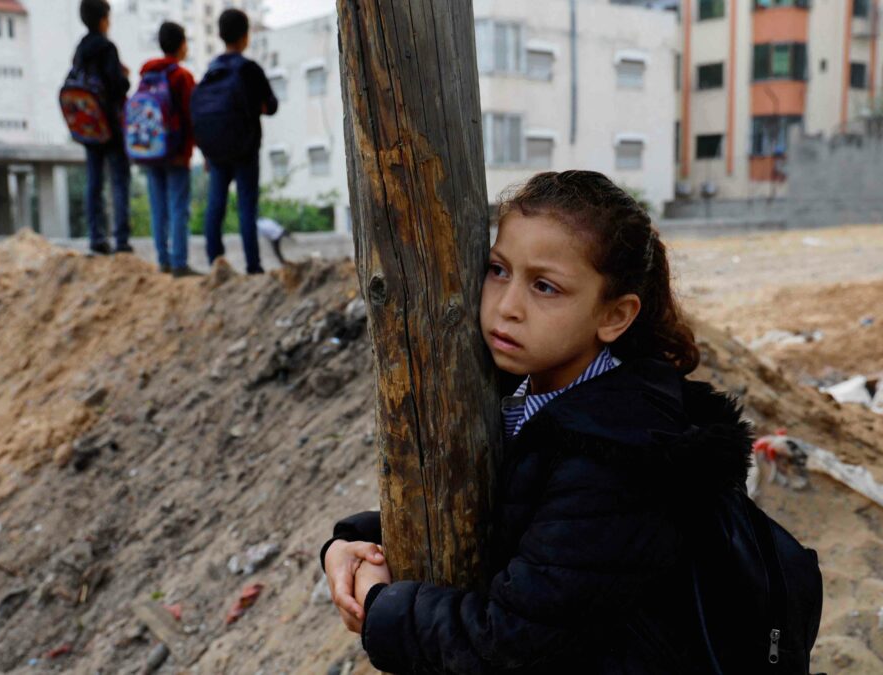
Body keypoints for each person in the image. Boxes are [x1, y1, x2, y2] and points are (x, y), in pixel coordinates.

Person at [320, 171, 798, 673]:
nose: (507, 307)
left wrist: (381, 606)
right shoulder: (531, 396)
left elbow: (508, 643)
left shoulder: (620, 458)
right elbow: (508, 520)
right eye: (498, 270)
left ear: (614, 316)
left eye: (545, 287)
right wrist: (357, 544)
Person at [199, 9, 278, 274]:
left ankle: (214, 262)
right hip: (245, 149)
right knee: (246, 207)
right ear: (246, 36)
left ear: (220, 35)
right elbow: (271, 105)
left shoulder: (211, 71)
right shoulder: (249, 69)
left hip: (217, 151)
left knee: (215, 205)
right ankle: (253, 265)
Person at [72, 0, 131, 256]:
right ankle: (121, 239)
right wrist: (125, 77)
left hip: (88, 125)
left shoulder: (81, 48)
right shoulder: (107, 47)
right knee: (119, 180)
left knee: (94, 181)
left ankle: (96, 236)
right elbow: (117, 87)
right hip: (110, 124)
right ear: (104, 19)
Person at [139, 22, 198, 277]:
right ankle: (179, 263)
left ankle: (162, 260)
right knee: (178, 208)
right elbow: (191, 115)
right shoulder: (182, 77)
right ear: (182, 44)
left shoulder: (147, 75)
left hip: (151, 151)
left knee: (158, 208)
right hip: (176, 153)